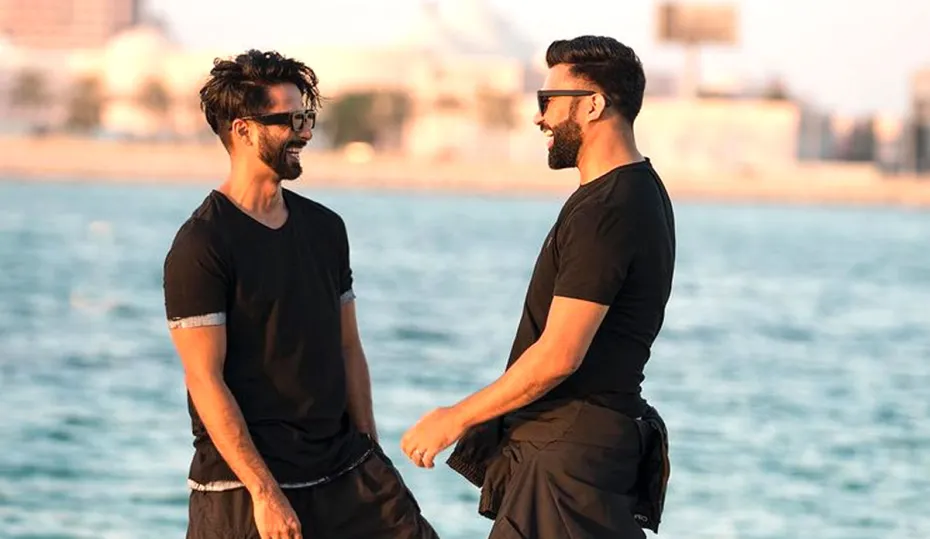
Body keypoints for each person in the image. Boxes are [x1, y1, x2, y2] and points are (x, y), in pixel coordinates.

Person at [400, 35, 675, 538]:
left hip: (569, 456)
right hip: (581, 449)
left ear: (592, 105)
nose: (539, 117)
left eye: (548, 101)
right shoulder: (637, 191)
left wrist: (455, 418)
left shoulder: (608, 209)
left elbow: (559, 355)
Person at [163, 49, 438, 539]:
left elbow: (348, 347)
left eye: (306, 118)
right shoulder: (202, 244)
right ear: (243, 130)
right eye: (289, 121)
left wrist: (372, 453)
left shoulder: (325, 229)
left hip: (344, 471)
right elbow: (205, 380)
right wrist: (265, 494)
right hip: (243, 488)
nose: (305, 133)